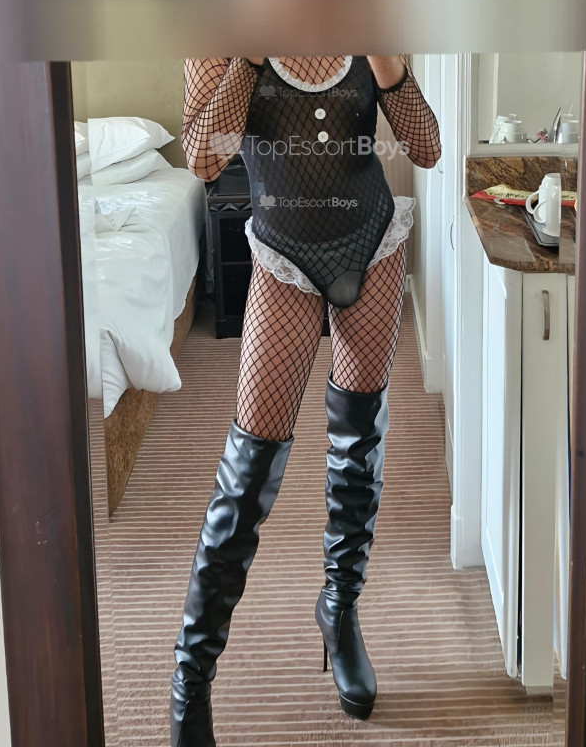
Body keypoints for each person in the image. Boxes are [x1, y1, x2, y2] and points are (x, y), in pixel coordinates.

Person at [170, 53, 440, 747]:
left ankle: (340, 608)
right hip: (282, 255)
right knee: (248, 469)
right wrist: (250, 55)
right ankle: (190, 680)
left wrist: (387, 64)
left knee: (360, 440)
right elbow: (204, 158)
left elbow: (427, 148)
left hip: (372, 242)